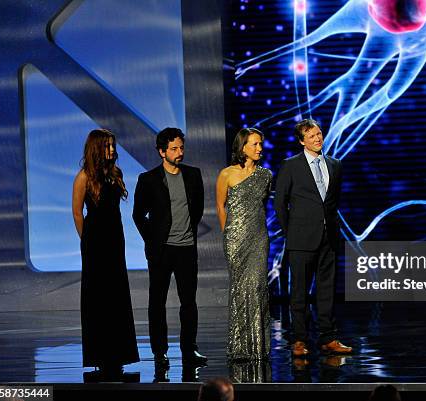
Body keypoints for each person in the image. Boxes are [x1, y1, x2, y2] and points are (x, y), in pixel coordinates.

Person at [274, 118, 352, 357]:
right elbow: (280, 203)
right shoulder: (290, 165)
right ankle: (299, 339)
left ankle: (328, 337)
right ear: (301, 141)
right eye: (311, 136)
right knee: (299, 292)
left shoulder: (335, 164)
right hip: (301, 239)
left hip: (328, 237)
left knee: (327, 290)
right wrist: (291, 233)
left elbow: (333, 201)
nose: (317, 138)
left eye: (319, 134)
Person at [132, 127, 207, 372]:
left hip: (186, 248)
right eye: (174, 149)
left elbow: (197, 210)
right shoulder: (149, 179)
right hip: (161, 251)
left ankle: (189, 348)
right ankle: (159, 352)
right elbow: (137, 214)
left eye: (181, 147)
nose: (179, 152)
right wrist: (152, 240)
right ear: (162, 151)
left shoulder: (193, 175)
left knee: (189, 303)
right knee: (157, 303)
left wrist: (186, 232)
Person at [71, 129, 139, 381]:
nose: (112, 150)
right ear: (96, 148)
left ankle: (119, 355)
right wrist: (86, 240)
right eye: (107, 146)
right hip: (95, 242)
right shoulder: (83, 178)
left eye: (113, 145)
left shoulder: (115, 174)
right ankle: (100, 357)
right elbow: (77, 212)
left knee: (117, 295)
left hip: (115, 239)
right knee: (97, 298)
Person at [216, 128, 272, 361]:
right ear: (243, 147)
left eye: (261, 144)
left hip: (258, 238)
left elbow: (261, 206)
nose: (260, 148)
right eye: (255, 144)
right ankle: (240, 346)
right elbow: (221, 207)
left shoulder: (266, 175)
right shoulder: (227, 174)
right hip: (235, 240)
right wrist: (227, 234)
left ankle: (258, 347)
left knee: (258, 288)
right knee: (239, 289)